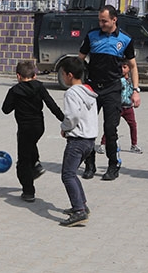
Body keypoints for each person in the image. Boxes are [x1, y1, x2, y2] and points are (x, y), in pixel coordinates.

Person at [80, 4, 141, 181]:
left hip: (112, 88)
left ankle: (113, 165)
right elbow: (80, 60)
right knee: (88, 128)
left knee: (110, 128)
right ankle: (89, 164)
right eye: (99, 20)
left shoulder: (125, 39)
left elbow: (133, 66)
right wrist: (78, 84)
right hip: (92, 88)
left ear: (114, 20)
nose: (101, 24)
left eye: (104, 21)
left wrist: (136, 91)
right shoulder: (92, 36)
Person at [1, 60, 65, 202]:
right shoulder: (40, 87)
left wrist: (14, 100)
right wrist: (65, 121)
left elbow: (5, 109)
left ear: (18, 76)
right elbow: (51, 105)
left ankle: (28, 191)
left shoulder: (14, 91)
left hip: (24, 128)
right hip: (39, 127)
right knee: (31, 145)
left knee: (23, 160)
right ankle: (36, 164)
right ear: (34, 75)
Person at [58, 58, 98, 227]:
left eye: (62, 74)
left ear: (69, 75)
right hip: (89, 140)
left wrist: (65, 127)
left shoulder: (72, 93)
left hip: (77, 140)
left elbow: (72, 116)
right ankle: (82, 205)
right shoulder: (88, 92)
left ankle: (79, 211)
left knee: (67, 174)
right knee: (72, 173)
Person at [93, 61, 142, 163]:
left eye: (124, 67)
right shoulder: (116, 80)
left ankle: (134, 144)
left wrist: (135, 95)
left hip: (128, 106)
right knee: (111, 126)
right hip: (117, 106)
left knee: (133, 125)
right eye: (121, 67)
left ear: (129, 68)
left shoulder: (132, 80)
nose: (122, 70)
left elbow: (135, 90)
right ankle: (103, 144)